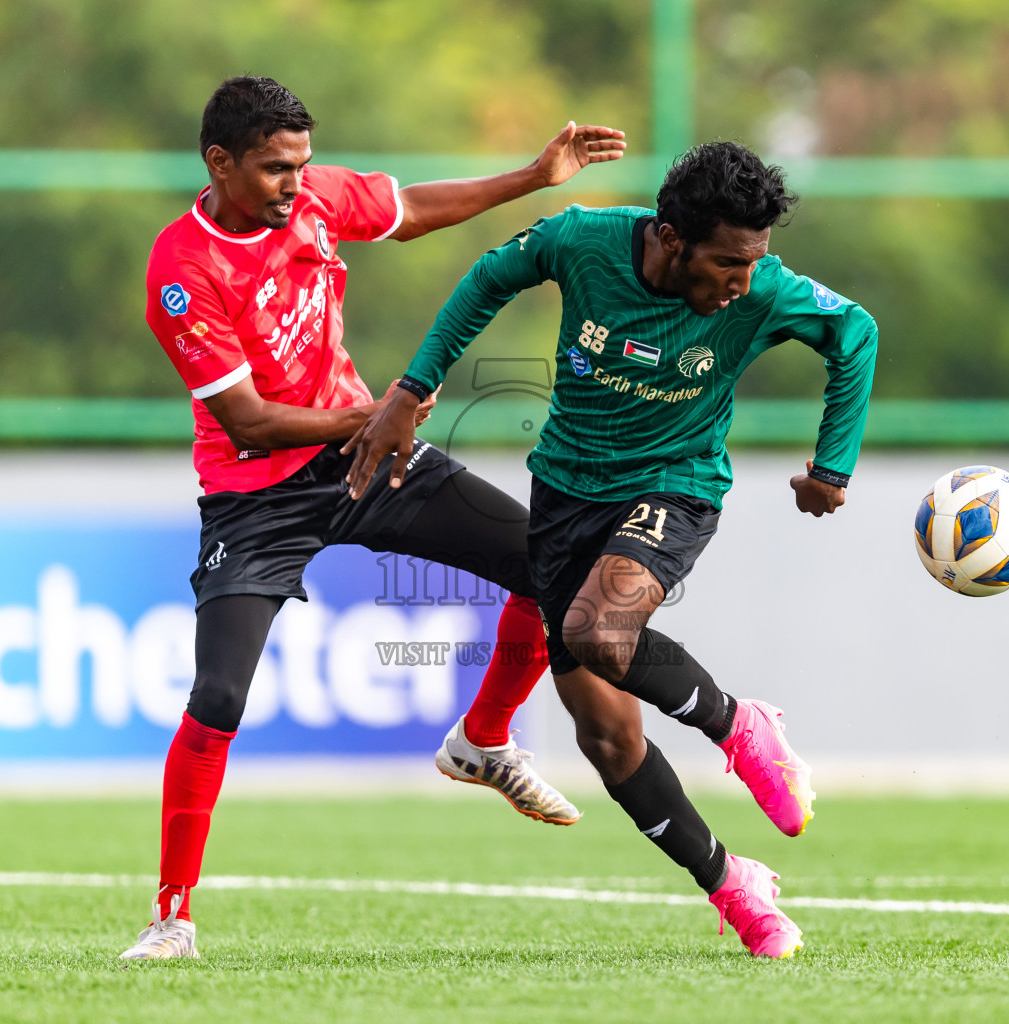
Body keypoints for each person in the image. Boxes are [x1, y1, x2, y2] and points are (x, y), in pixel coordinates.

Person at [122, 75, 626, 961]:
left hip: (368, 463)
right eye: (276, 169)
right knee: (218, 696)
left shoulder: (312, 199)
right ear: (220, 163)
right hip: (258, 496)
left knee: (555, 571)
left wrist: (533, 176)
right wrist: (375, 413)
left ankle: (484, 741)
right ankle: (172, 919)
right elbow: (246, 421)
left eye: (302, 165)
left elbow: (413, 208)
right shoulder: (182, 268)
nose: (294, 183)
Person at [344, 141, 878, 958]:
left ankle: (742, 728)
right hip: (565, 497)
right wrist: (412, 391)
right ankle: (733, 886)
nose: (740, 283)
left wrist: (833, 466)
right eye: (726, 263)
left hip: (676, 484)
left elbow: (855, 332)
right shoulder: (584, 240)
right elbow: (488, 277)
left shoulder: (760, 291)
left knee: (600, 630)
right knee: (607, 738)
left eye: (752, 263)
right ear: (669, 237)